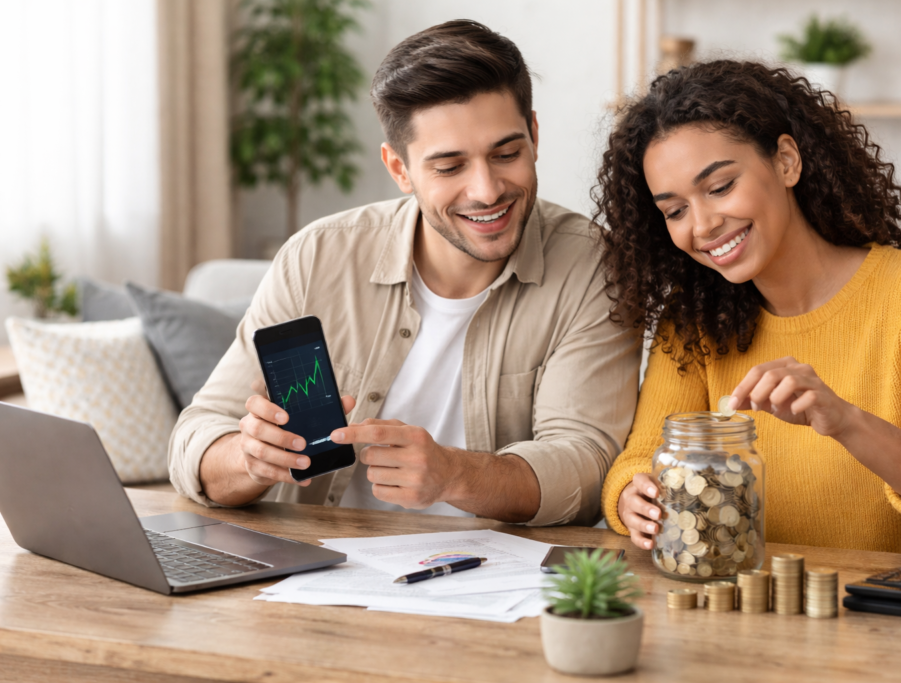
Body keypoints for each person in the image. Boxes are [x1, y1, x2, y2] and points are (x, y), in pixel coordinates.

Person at [168, 20, 640, 526]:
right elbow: (197, 438)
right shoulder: (319, 255)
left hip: (489, 583)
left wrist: (456, 474)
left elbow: (588, 464)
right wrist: (249, 459)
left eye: (506, 153)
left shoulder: (594, 266)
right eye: (449, 167)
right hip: (313, 573)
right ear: (399, 169)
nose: (485, 190)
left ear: (534, 135)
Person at [596, 60, 901, 558]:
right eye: (675, 210)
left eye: (719, 187)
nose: (704, 224)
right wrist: (631, 495)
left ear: (785, 161)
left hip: (898, 623)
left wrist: (846, 421)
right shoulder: (694, 318)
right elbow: (643, 456)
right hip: (742, 616)